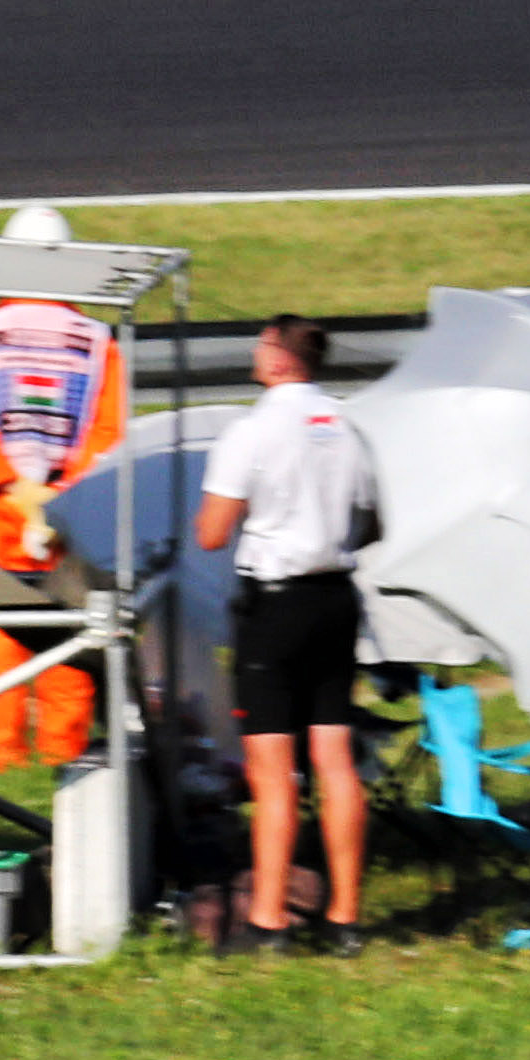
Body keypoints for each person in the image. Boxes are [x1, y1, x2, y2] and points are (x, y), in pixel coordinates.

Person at [194, 315, 374, 948]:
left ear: (276, 356)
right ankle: (346, 919)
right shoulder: (349, 425)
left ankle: (269, 921)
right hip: (337, 600)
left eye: (259, 342)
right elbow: (373, 521)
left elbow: (211, 532)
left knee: (273, 773)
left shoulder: (253, 430)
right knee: (336, 760)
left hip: (276, 607)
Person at [0, 204, 129, 771]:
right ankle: (64, 753)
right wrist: (64, 489)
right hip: (71, 516)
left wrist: (11, 484)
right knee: (71, 633)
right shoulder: (99, 340)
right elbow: (110, 432)